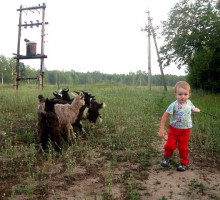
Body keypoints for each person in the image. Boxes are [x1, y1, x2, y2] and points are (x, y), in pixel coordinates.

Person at [158, 81, 200, 171]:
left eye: (185, 94)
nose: (183, 96)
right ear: (175, 94)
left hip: (185, 131)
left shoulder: (189, 103)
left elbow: (193, 108)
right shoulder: (173, 105)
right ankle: (166, 158)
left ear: (189, 94)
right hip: (173, 129)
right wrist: (161, 129)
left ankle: (184, 163)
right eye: (180, 94)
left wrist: (196, 109)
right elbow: (165, 116)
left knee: (183, 147)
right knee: (169, 145)